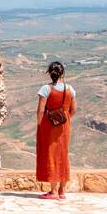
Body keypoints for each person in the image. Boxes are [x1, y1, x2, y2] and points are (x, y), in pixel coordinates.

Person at [35, 60, 76, 200]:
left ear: (49, 73)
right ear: (62, 73)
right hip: (64, 126)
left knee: (51, 155)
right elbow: (73, 110)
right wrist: (64, 120)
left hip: (49, 126)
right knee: (63, 156)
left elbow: (40, 111)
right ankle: (62, 191)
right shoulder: (70, 89)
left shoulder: (45, 89)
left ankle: (53, 192)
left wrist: (41, 126)